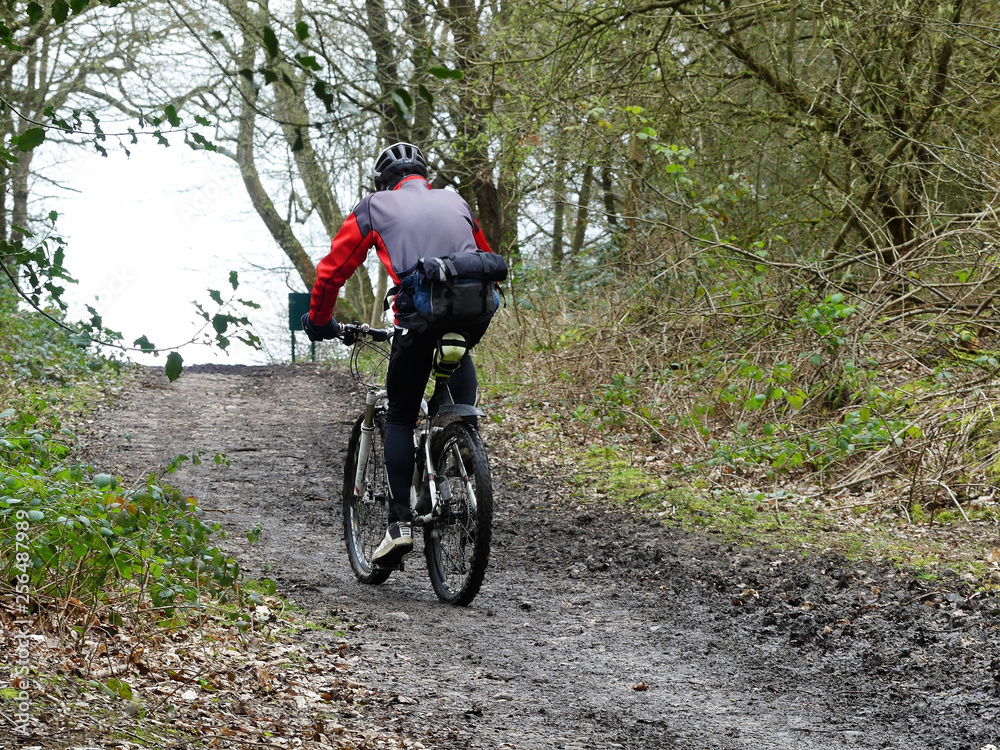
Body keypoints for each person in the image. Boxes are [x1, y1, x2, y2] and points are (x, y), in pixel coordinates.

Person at [301, 142, 495, 568]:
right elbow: (482, 250)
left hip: (420, 317)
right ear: (423, 175)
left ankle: (399, 523)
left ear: (384, 182)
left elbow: (332, 271)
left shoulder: (375, 206)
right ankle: (462, 426)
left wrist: (319, 321)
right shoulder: (454, 199)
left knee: (403, 413)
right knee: (455, 353)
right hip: (475, 310)